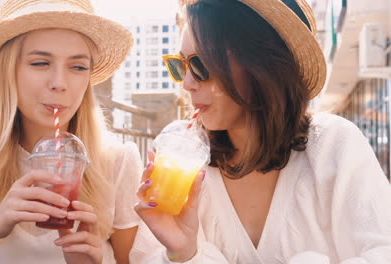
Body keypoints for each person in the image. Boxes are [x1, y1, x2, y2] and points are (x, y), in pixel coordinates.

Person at [131, 0, 391, 263]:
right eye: (181, 65)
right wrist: (183, 253)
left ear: (261, 65)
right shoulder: (182, 157)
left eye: (201, 65)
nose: (187, 83)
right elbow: (146, 256)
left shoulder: (333, 143)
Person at [0, 0, 142, 263]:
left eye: (78, 67)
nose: (59, 84)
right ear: (8, 71)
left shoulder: (118, 160)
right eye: (40, 63)